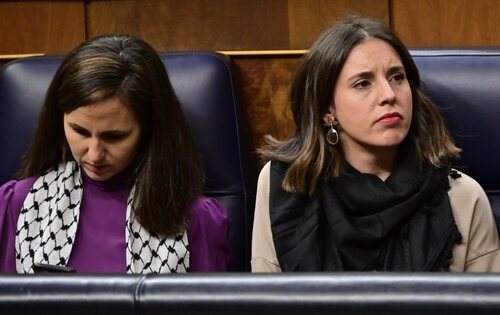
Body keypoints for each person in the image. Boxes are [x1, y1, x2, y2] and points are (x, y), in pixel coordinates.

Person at [251, 16, 500, 272]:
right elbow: (268, 302)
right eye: (363, 83)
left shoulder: (463, 197)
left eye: (396, 77)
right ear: (327, 109)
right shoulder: (285, 183)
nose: (389, 95)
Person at [0, 34, 231, 273]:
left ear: (149, 130)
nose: (94, 154)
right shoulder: (18, 204)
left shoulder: (195, 219)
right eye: (79, 131)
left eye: (114, 136)